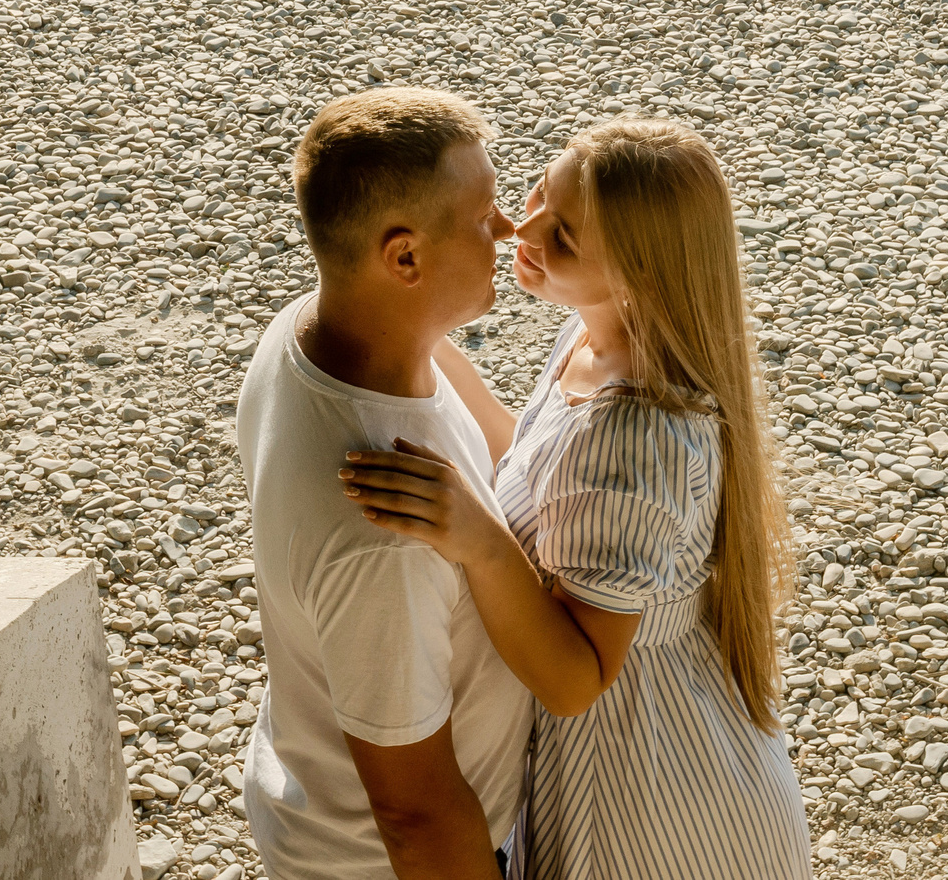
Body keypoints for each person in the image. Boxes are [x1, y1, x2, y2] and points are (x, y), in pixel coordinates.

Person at [341, 119, 813, 880]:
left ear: (640, 276)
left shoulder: (632, 436)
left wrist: (479, 539)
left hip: (649, 808)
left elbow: (573, 680)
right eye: (537, 195)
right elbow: (525, 457)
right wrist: (410, 326)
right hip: (664, 763)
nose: (521, 228)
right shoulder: (595, 338)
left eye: (561, 236)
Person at [235, 88, 533, 880]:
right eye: (483, 215)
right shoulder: (387, 523)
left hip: (308, 799)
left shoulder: (315, 329)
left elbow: (503, 440)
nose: (506, 228)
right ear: (404, 256)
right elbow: (415, 812)